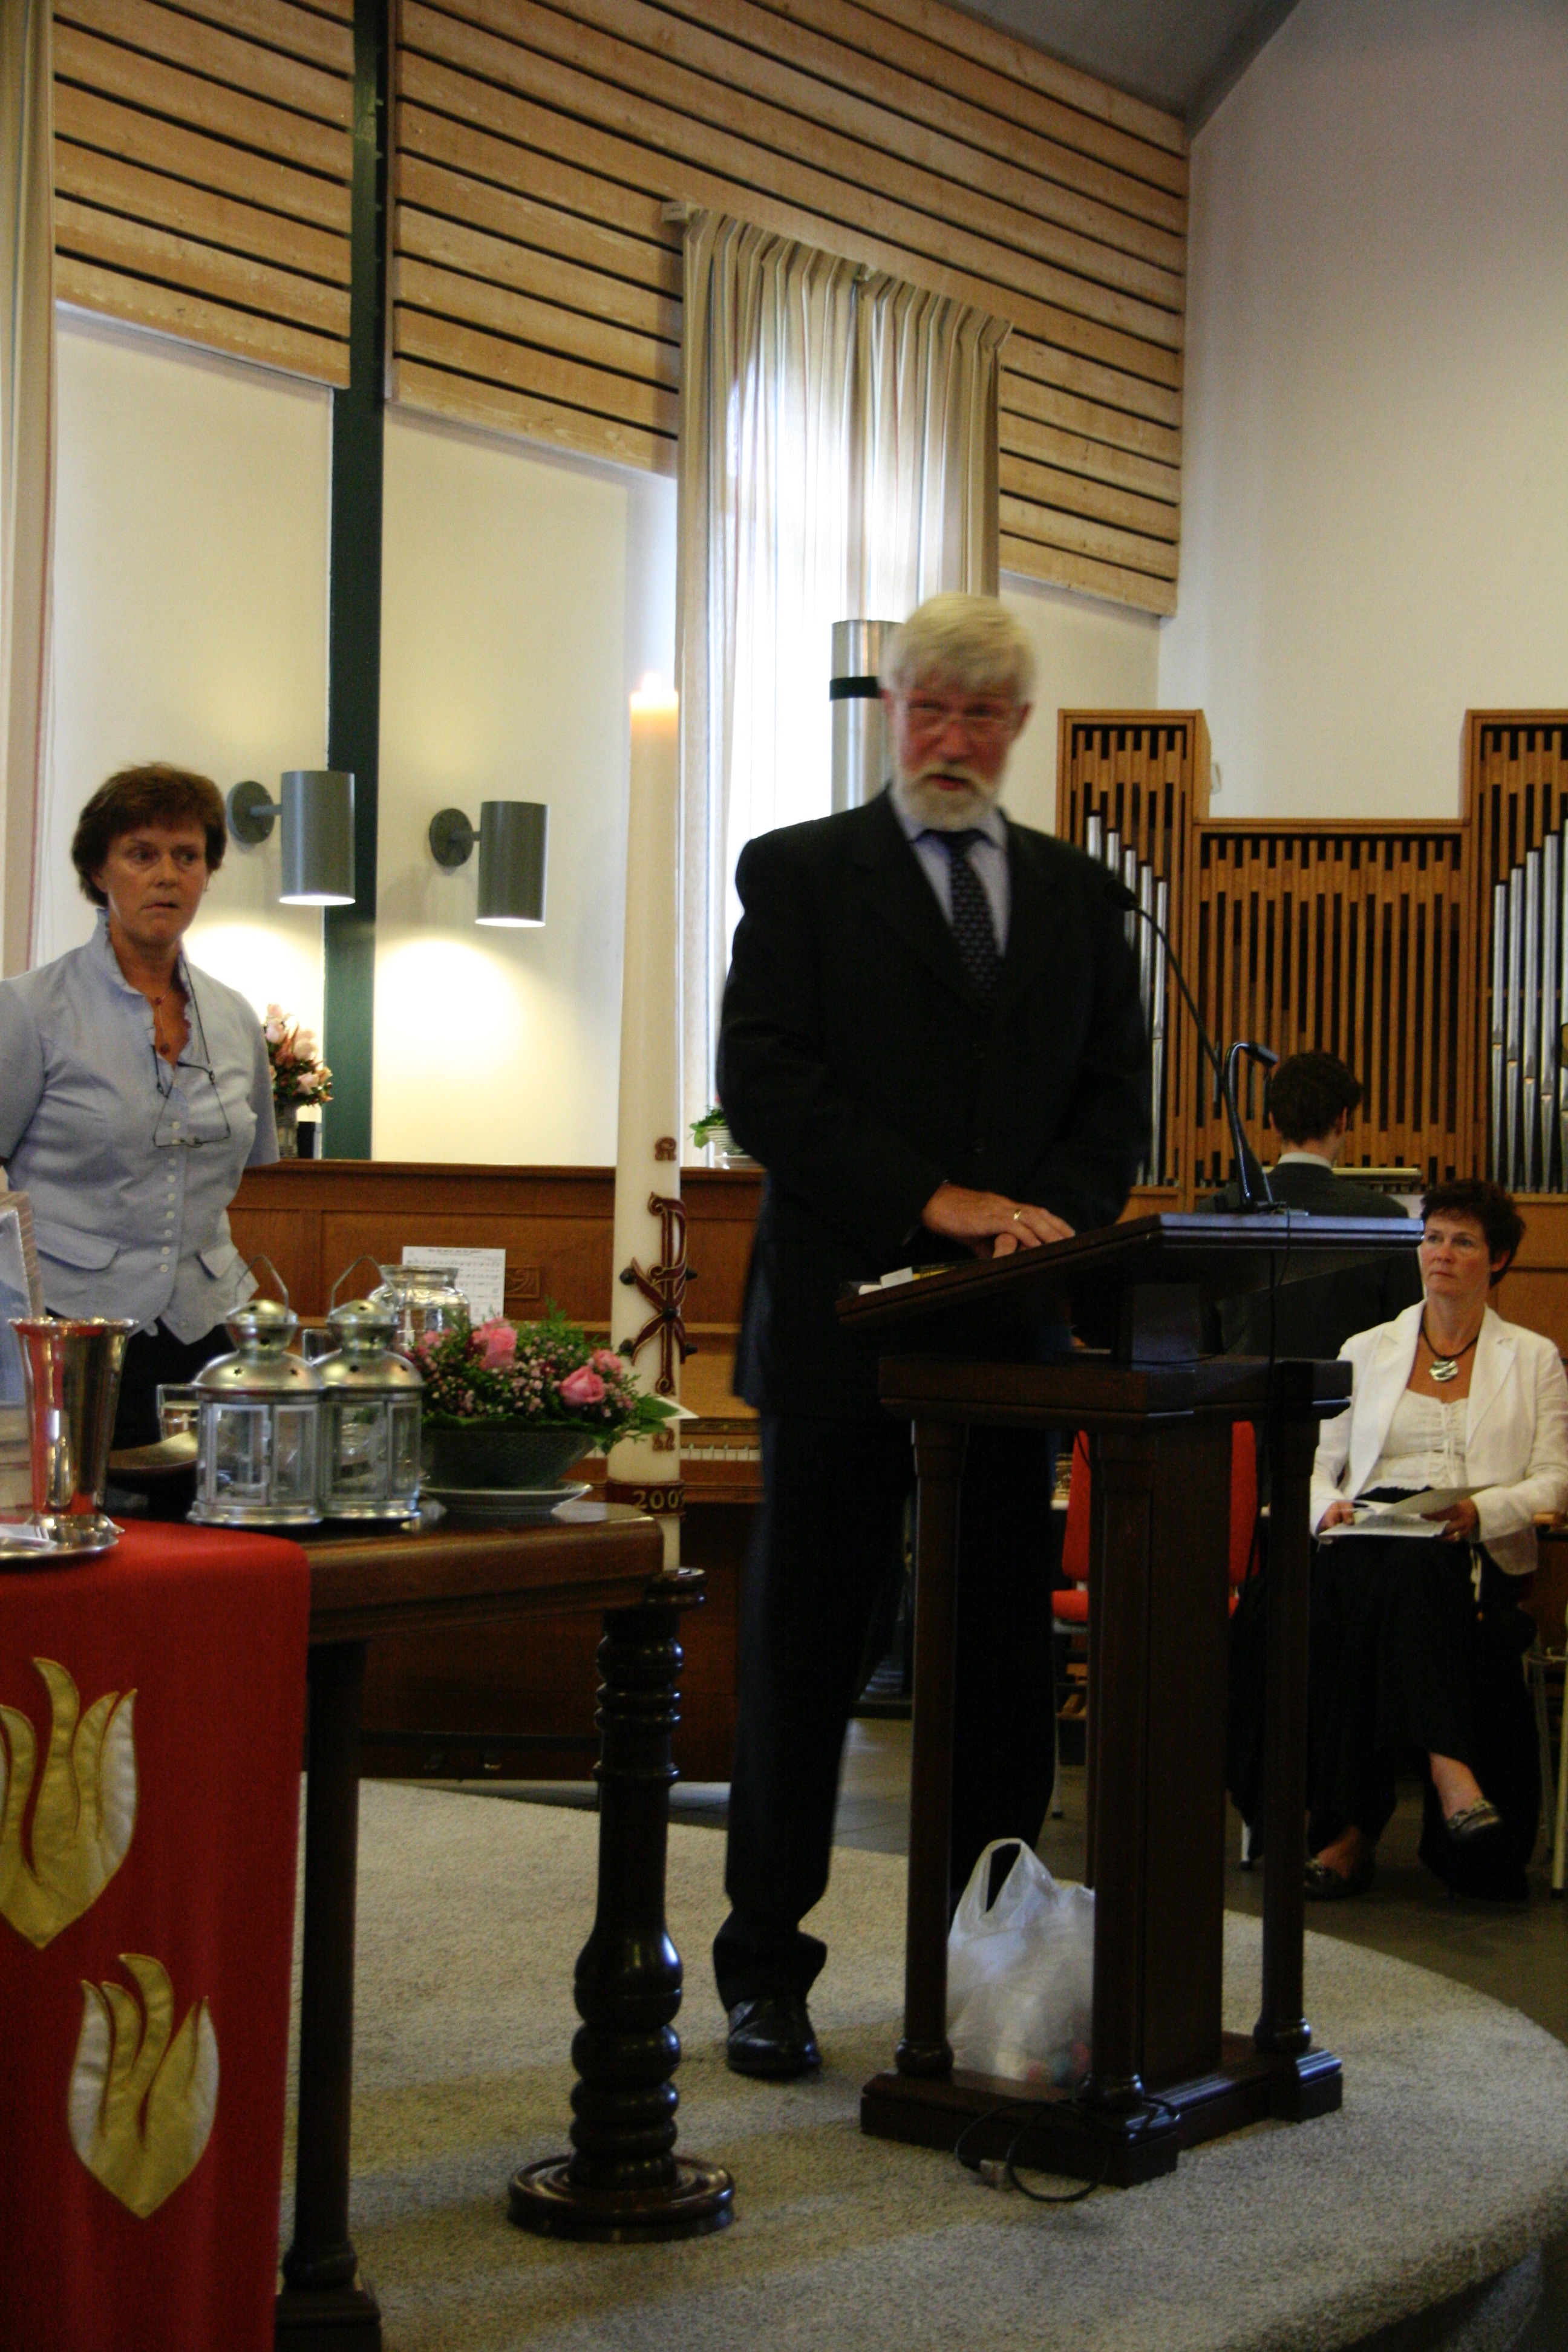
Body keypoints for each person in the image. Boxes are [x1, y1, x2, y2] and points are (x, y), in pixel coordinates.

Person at [713, 592, 1148, 2077]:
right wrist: (936, 1201)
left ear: (1019, 727)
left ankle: (988, 1967)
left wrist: (1049, 1218)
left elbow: (1112, 1101)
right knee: (805, 1657)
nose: (952, 739)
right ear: (891, 713)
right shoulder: (800, 873)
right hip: (843, 1330)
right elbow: (767, 1083)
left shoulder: (1081, 896)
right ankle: (767, 1969)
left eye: (981, 713)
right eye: (929, 709)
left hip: (1007, 1337)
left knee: (1000, 1671)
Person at [0, 763, 278, 1448]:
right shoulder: (30, 1009)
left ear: (207, 873)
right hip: (69, 1331)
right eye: (142, 855)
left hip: (205, 1329)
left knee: (208, 1510)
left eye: (187, 857)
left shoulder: (235, 1017)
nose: (167, 876)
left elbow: (254, 1166)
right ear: (99, 871)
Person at [1305, 1180, 1568, 1900]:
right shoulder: (1367, 1348)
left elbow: (1555, 1481)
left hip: (1469, 1550)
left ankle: (1350, 1836)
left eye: (1463, 1242)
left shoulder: (1533, 1357)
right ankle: (1454, 1777)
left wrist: (1483, 1510)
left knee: (1409, 1576)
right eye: (1432, 1238)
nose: (1441, 1254)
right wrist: (1327, 1511)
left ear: (1499, 1259)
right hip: (1366, 1538)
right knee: (1398, 1569)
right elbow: (1317, 1469)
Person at [1210, 1050, 1422, 1361]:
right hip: (1348, 1392)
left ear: (1273, 1122)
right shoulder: (1387, 1220)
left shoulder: (1215, 1212)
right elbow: (1404, 1345)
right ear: (1343, 1120)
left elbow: (1196, 1347)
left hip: (1235, 1392)